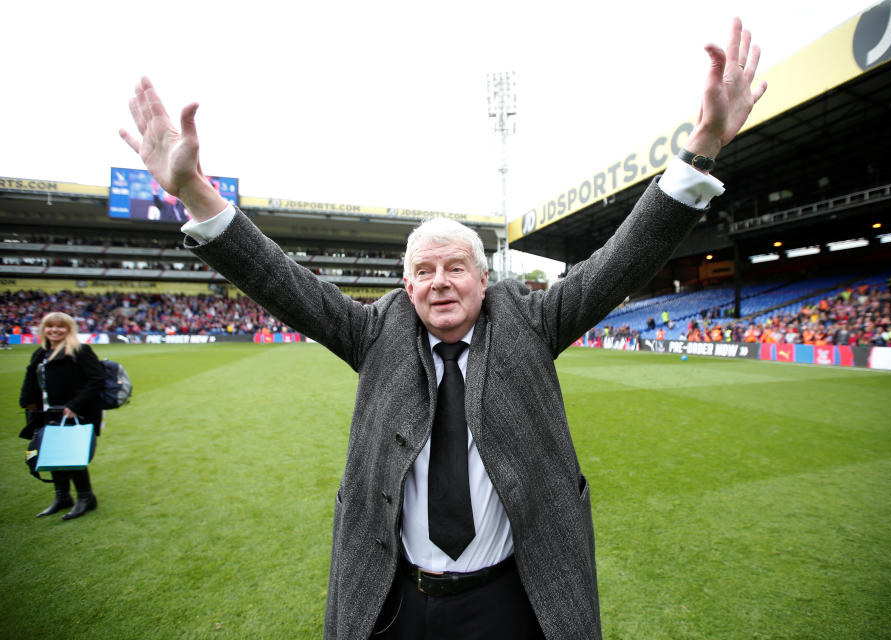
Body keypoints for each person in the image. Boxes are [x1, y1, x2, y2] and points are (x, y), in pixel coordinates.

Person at [120, 17, 765, 639]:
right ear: (406, 286)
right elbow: (282, 282)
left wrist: (703, 142)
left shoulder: (533, 321)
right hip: (400, 603)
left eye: (457, 267)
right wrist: (197, 196)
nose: (439, 282)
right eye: (423, 270)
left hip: (513, 601)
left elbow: (623, 258)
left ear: (484, 280)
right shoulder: (375, 332)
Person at [18, 312, 105, 520]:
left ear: (69, 329)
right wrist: (28, 404)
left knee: (70, 455)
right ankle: (62, 496)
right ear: (44, 329)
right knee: (51, 454)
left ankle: (86, 497)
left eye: (60, 326)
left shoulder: (79, 351)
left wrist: (75, 405)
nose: (54, 330)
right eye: (50, 326)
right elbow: (31, 381)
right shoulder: (41, 353)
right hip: (46, 413)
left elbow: (97, 379)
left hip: (73, 413)